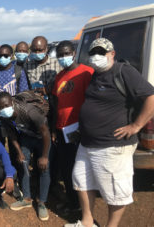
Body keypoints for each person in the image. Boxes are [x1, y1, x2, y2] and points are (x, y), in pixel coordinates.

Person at [65, 38, 154, 227]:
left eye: (102, 52)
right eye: (93, 53)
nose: (96, 57)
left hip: (112, 144)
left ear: (112, 54)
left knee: (114, 191)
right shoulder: (96, 75)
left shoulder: (123, 71)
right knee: (81, 181)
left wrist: (136, 126)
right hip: (88, 143)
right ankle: (87, 222)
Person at [50, 40, 94, 214]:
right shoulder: (60, 76)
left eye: (66, 53)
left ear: (74, 53)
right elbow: (55, 103)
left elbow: (92, 103)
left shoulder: (86, 73)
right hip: (62, 130)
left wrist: (83, 128)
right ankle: (72, 202)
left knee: (82, 171)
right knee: (67, 169)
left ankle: (85, 210)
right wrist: (54, 128)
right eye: (60, 54)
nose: (63, 57)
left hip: (79, 130)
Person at [0, 92, 51, 221]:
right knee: (23, 164)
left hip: (43, 138)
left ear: (12, 102)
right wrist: (19, 151)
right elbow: (12, 134)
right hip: (27, 137)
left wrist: (44, 156)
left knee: (44, 168)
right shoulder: (4, 116)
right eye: (0, 107)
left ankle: (42, 202)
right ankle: (26, 198)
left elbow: (45, 132)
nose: (4, 109)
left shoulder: (29, 111)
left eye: (6, 105)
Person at [0, 44, 30, 129]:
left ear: (11, 56)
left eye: (5, 55)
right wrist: (0, 111)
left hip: (15, 115)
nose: (2, 57)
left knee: (16, 140)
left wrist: (13, 112)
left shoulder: (19, 71)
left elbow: (24, 94)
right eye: (0, 56)